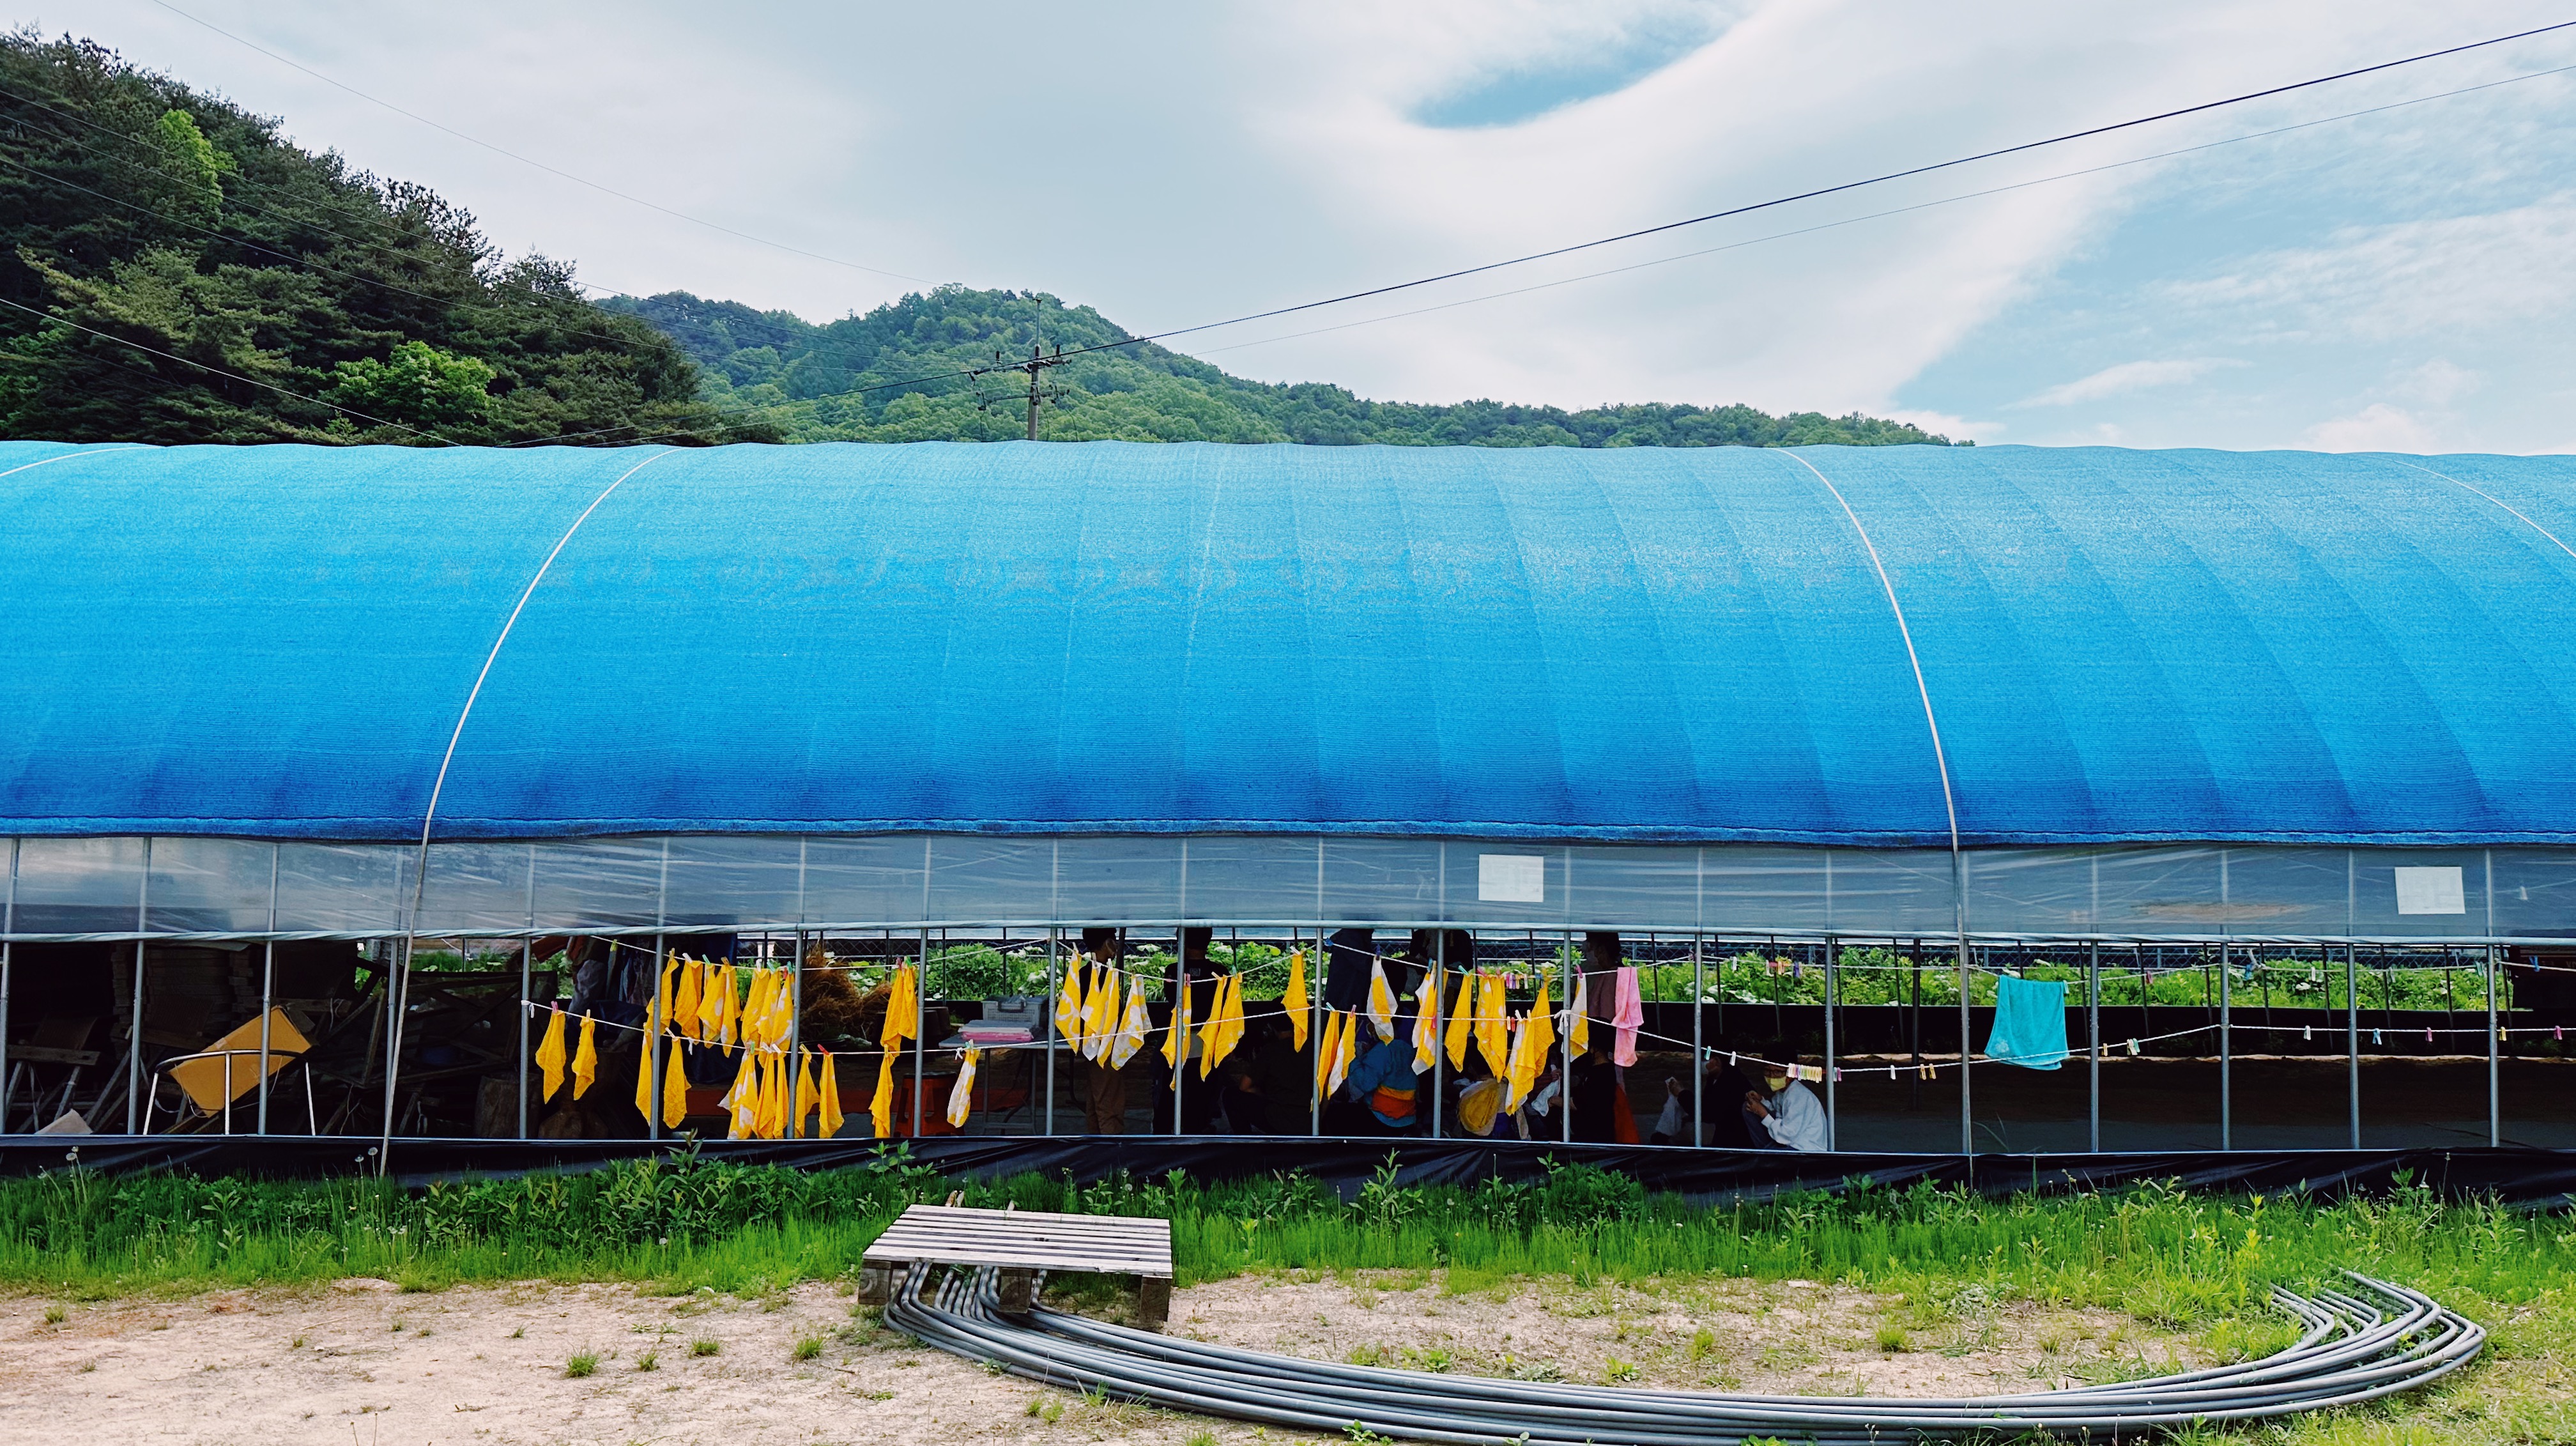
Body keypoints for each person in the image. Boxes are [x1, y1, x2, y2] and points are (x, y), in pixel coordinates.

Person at [1077, 927, 1130, 1135]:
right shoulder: (1105, 975)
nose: (1116, 946)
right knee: (1110, 1101)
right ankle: (1111, 1146)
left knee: (1097, 1097)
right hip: (1104, 1045)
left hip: (1091, 1044)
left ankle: (1096, 1141)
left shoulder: (1083, 973)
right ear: (1107, 943)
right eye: (1113, 940)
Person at [1340, 1024, 1422, 1133]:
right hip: (1408, 1119)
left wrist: (1350, 1057)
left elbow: (1366, 1083)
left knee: (1336, 1114)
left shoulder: (1384, 1049)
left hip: (1383, 1118)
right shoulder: (1407, 1048)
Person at [1744, 1056, 1828, 1152]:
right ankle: (1766, 1152)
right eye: (1768, 1071)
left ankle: (1766, 1155)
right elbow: (1777, 1111)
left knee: (1763, 1160)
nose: (1772, 1076)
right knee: (1747, 1109)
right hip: (1788, 1142)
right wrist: (1761, 1101)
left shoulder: (1799, 1096)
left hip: (1804, 1148)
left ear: (1791, 1074)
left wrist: (1762, 1113)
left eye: (1778, 1072)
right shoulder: (1782, 1092)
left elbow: (1787, 1136)